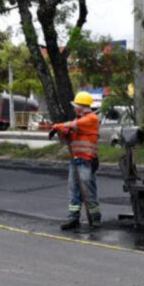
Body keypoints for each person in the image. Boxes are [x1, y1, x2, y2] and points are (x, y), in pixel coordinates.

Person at [52, 91, 101, 230]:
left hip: (86, 160)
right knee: (74, 189)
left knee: (88, 190)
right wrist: (65, 132)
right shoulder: (78, 120)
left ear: (81, 107)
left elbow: (73, 125)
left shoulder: (91, 119)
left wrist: (57, 126)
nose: (74, 108)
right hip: (75, 159)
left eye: (75, 106)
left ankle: (95, 217)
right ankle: (73, 217)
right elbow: (71, 129)